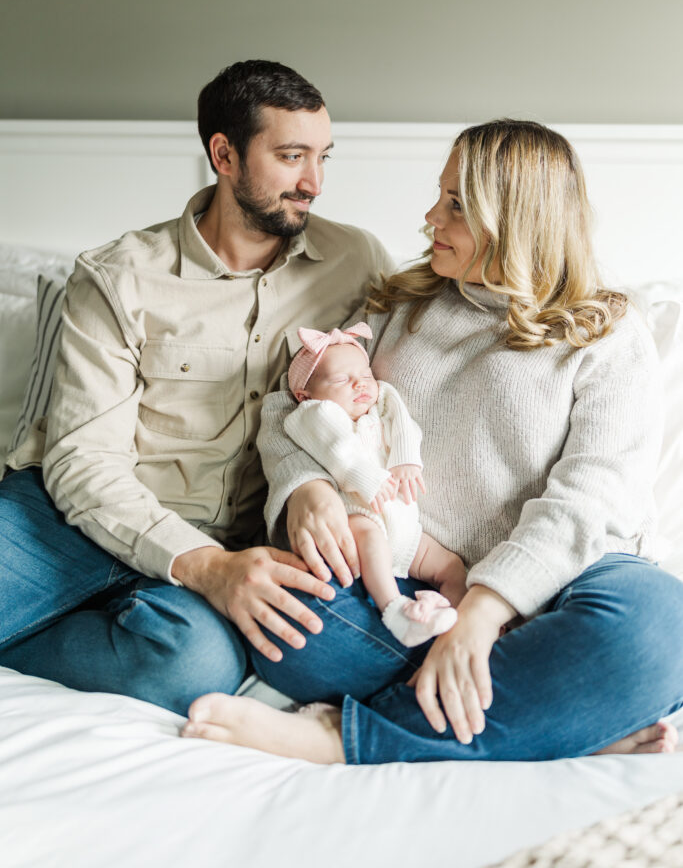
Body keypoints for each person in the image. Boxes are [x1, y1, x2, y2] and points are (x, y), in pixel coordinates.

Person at [182, 118, 683, 763]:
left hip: (553, 589)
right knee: (293, 624)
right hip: (400, 584)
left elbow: (594, 496)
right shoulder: (401, 304)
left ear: (515, 218)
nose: (429, 216)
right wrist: (303, 485)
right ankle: (555, 718)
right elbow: (293, 403)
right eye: (438, 194)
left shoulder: (605, 333)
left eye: (455, 204)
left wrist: (482, 611)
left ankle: (342, 737)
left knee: (657, 628)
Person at [0, 59, 393, 714]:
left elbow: (410, 385)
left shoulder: (356, 264)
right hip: (67, 517)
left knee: (192, 667)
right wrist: (201, 566)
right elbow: (83, 463)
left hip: (229, 539)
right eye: (291, 156)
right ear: (224, 154)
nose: (313, 183)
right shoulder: (117, 276)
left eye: (323, 157)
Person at [285, 320, 459, 646]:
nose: (359, 385)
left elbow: (403, 423)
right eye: (341, 380)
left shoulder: (380, 403)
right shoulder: (314, 413)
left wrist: (406, 459)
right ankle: (396, 610)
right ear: (303, 394)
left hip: (405, 527)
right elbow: (338, 450)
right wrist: (367, 478)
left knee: (452, 566)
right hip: (356, 512)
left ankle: (458, 623)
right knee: (369, 537)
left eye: (365, 376)